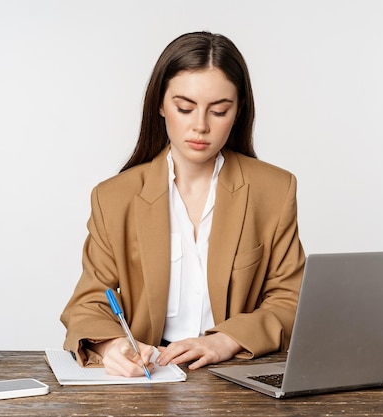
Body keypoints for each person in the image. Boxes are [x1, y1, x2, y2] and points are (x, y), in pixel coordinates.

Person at [60, 31, 305, 377]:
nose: (200, 126)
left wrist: (227, 339)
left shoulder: (274, 190)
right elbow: (88, 303)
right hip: (149, 377)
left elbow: (291, 299)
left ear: (238, 112)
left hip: (236, 374)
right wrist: (112, 345)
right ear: (160, 104)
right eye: (185, 107)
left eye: (219, 111)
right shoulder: (114, 197)